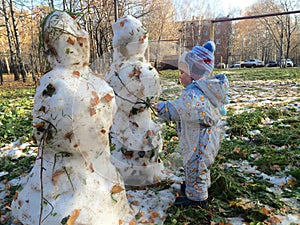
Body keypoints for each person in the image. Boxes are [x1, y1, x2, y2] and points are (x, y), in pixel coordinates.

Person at [154, 41, 229, 208]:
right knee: (197, 166)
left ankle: (197, 200)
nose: (179, 76)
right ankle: (194, 187)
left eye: (182, 72)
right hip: (203, 138)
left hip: (200, 140)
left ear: (194, 72)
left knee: (196, 166)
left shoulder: (195, 93)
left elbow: (180, 110)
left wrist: (163, 107)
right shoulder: (202, 89)